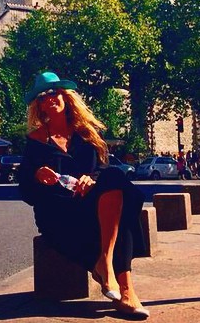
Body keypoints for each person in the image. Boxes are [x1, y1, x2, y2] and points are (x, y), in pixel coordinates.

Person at [18, 72, 149, 319]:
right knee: (119, 221)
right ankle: (123, 287)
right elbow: (25, 191)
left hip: (89, 204)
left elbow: (103, 167)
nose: (49, 99)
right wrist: (37, 176)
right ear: (39, 105)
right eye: (43, 97)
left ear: (66, 97)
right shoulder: (35, 141)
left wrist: (93, 179)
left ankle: (109, 268)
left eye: (54, 93)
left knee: (114, 179)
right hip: (58, 212)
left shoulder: (86, 134)